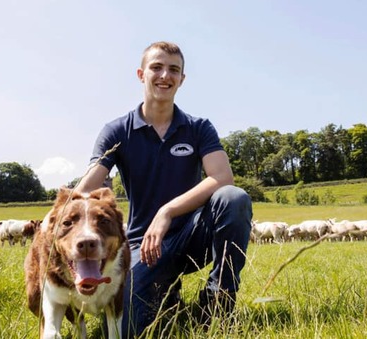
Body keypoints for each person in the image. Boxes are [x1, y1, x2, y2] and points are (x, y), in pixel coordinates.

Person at [75, 41, 252, 338]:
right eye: (156, 67)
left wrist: (167, 211)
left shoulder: (198, 128)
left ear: (182, 80)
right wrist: (56, 219)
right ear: (141, 73)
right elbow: (88, 186)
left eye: (174, 70)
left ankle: (217, 303)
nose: (164, 76)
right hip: (143, 246)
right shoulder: (117, 131)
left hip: (194, 233)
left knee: (233, 199)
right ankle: (166, 296)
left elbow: (222, 177)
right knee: (123, 330)